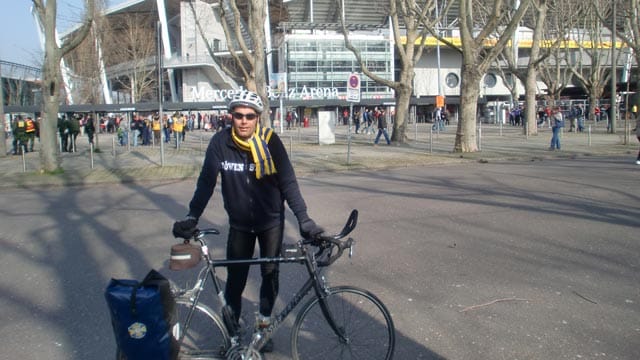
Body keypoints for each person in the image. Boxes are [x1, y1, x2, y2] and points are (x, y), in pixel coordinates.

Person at [172, 90, 323, 352]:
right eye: (238, 115)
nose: (243, 121)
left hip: (270, 223)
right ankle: (232, 335)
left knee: (270, 275)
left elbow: (288, 182)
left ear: (257, 118)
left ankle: (263, 328)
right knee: (235, 281)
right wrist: (192, 215)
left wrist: (304, 219)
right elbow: (206, 182)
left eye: (249, 116)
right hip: (240, 225)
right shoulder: (220, 143)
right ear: (231, 117)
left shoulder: (270, 141)